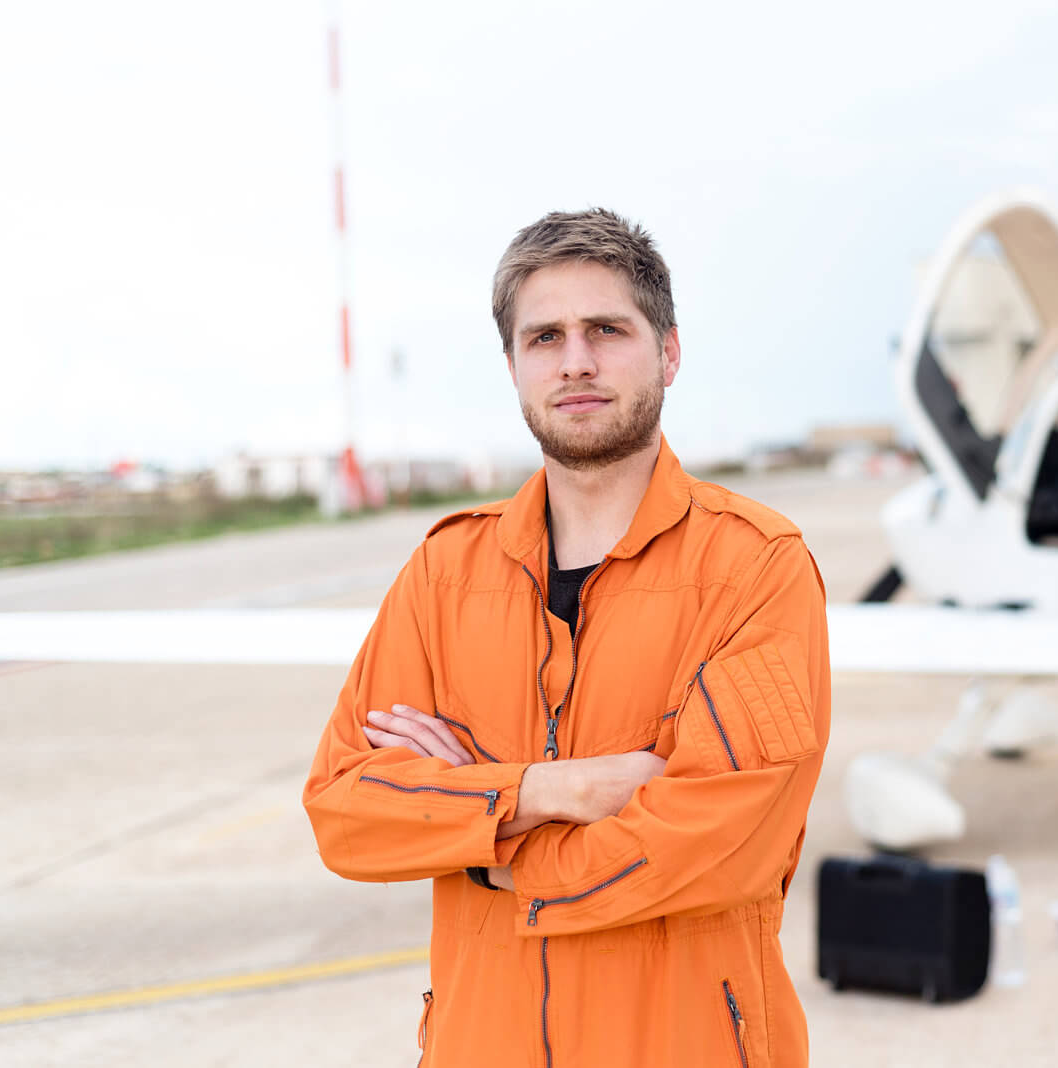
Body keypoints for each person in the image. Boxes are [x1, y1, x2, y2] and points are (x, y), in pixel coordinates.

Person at [302, 208, 830, 1067]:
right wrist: (556, 790)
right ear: (513, 366)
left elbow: (727, 843)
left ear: (668, 352)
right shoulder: (444, 573)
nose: (575, 360)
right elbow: (345, 812)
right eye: (544, 336)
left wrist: (486, 843)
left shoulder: (756, 568)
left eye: (606, 330)